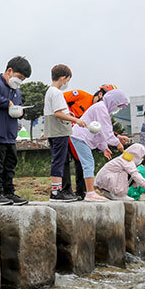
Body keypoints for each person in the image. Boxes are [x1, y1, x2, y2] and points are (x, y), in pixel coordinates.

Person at [0, 56, 32, 205]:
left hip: (9, 135)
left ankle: (9, 192)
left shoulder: (17, 91)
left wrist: (21, 111)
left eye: (23, 79)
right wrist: (7, 102)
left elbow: (18, 106)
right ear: (9, 71)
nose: (20, 81)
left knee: (10, 164)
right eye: (19, 77)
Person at [62, 84, 127, 200]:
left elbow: (100, 131)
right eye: (117, 105)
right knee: (88, 163)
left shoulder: (102, 109)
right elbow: (107, 131)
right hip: (79, 136)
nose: (117, 108)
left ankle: (88, 192)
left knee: (87, 163)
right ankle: (90, 193)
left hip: (80, 137)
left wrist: (104, 148)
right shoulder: (101, 108)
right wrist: (117, 144)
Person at [44, 64, 86, 202]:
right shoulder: (56, 92)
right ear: (63, 78)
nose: (67, 83)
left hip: (54, 131)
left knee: (59, 160)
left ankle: (57, 190)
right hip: (59, 131)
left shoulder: (50, 91)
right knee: (59, 161)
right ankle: (56, 192)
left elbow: (59, 111)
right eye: (67, 80)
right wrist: (76, 120)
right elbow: (58, 113)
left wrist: (68, 113)